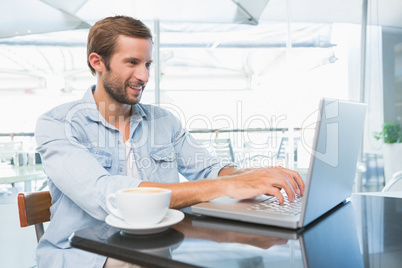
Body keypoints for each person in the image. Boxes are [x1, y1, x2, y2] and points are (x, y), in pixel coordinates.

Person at [34, 15, 304, 267]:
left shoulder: (163, 121)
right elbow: (106, 195)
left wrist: (254, 175)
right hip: (85, 255)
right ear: (97, 62)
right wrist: (228, 185)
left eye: (148, 64)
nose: (144, 76)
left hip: (158, 245)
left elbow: (209, 169)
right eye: (132, 63)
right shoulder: (58, 124)